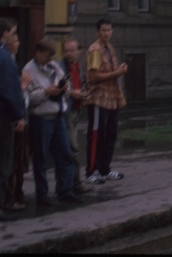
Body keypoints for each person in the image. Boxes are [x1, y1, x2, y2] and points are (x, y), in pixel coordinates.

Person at [24, 38, 82, 206]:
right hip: (41, 119)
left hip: (58, 117)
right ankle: (42, 195)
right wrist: (46, 92)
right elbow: (28, 98)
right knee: (40, 158)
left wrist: (64, 89)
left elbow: (67, 86)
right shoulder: (29, 70)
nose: (50, 60)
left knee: (65, 154)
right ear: (38, 53)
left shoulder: (55, 66)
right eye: (47, 57)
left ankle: (65, 190)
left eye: (52, 57)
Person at [85, 17, 128, 185]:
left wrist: (118, 71)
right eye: (103, 30)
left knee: (110, 135)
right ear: (98, 32)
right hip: (98, 98)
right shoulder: (95, 50)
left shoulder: (109, 48)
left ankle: (105, 168)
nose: (107, 33)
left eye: (109, 30)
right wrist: (116, 74)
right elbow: (92, 77)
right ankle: (91, 171)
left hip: (112, 99)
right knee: (96, 136)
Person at [0, 18, 26, 221]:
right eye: (13, 33)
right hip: (4, 118)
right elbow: (10, 90)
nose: (15, 37)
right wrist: (19, 115)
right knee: (4, 162)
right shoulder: (5, 58)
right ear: (5, 34)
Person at [60, 38, 89, 193]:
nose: (68, 54)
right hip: (66, 111)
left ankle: (72, 183)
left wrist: (83, 94)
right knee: (73, 148)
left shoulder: (78, 67)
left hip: (76, 110)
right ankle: (74, 183)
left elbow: (82, 83)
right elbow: (58, 88)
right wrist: (72, 93)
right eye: (66, 51)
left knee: (72, 147)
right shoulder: (60, 67)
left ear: (79, 51)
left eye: (71, 50)